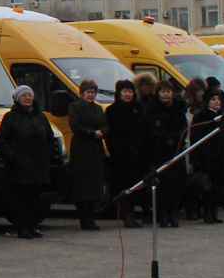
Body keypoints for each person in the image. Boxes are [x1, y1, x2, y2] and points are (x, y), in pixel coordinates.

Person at [0, 83, 57, 238]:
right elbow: (1, 141)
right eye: (24, 95)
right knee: (21, 198)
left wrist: (48, 154)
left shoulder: (40, 116)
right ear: (17, 99)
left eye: (29, 95)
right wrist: (12, 157)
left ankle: (33, 226)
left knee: (36, 197)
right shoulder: (10, 117)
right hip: (19, 167)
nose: (27, 98)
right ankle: (22, 227)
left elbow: (50, 138)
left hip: (39, 165)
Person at [189, 90, 224, 224]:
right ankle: (207, 213)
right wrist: (199, 158)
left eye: (218, 99)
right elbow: (196, 137)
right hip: (207, 157)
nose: (217, 102)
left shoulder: (223, 116)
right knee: (208, 187)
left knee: (219, 187)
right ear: (207, 102)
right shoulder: (202, 116)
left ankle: (214, 213)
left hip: (222, 157)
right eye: (213, 99)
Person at [65, 79, 108, 231]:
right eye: (88, 92)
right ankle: (84, 218)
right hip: (81, 148)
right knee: (82, 185)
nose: (91, 95)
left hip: (95, 149)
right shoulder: (74, 107)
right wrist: (92, 133)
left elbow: (104, 124)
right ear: (82, 93)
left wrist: (102, 132)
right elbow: (75, 126)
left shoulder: (98, 108)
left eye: (93, 92)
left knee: (95, 184)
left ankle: (91, 217)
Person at [146, 80, 190, 228]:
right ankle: (162, 214)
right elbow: (150, 130)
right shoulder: (152, 109)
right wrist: (164, 138)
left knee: (176, 184)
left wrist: (177, 139)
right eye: (163, 91)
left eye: (168, 91)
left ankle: (173, 212)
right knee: (162, 185)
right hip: (158, 152)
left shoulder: (178, 109)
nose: (166, 94)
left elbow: (184, 128)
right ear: (158, 93)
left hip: (176, 151)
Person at [105, 79, 145, 224]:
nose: (128, 94)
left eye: (130, 91)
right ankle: (125, 214)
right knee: (122, 184)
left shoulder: (139, 108)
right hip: (120, 155)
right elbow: (109, 134)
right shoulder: (112, 110)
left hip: (137, 154)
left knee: (135, 184)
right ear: (119, 93)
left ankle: (132, 212)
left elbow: (144, 130)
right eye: (125, 91)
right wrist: (116, 150)